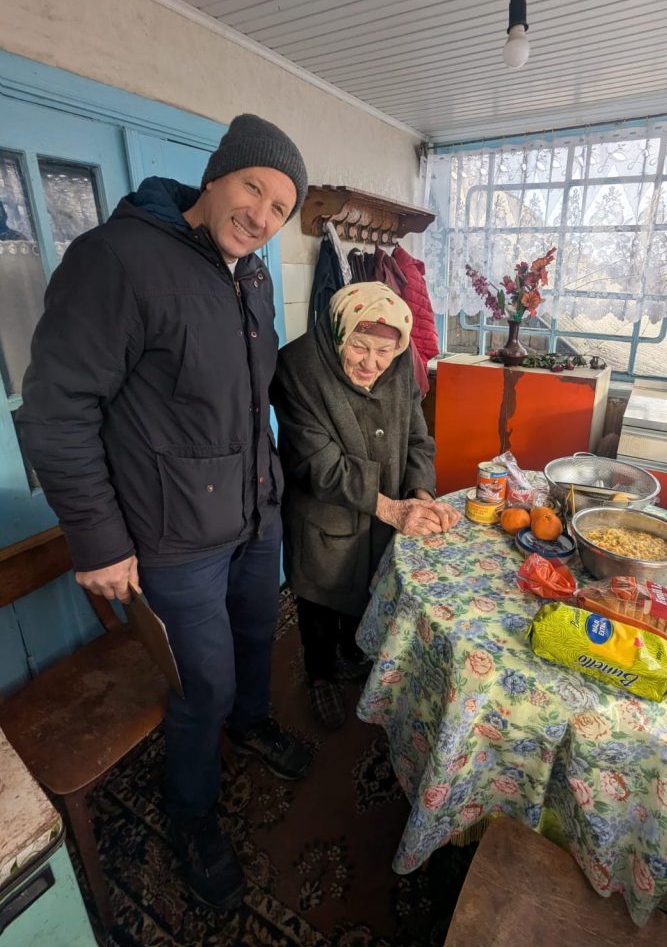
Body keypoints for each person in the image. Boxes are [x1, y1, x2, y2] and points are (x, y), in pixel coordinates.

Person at [17, 114, 311, 912]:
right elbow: (55, 408)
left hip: (251, 515)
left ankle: (252, 724)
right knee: (200, 686)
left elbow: (248, 401)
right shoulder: (118, 259)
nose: (261, 214)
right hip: (172, 537)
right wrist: (100, 541)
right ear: (216, 175)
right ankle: (192, 814)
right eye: (254, 187)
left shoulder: (249, 274)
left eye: (281, 206)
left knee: (258, 638)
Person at [271, 282, 461, 729]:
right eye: (359, 347)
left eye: (383, 353)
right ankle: (318, 675)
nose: (371, 364)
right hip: (323, 518)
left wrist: (419, 495)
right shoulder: (298, 367)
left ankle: (354, 652)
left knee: (370, 594)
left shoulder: (402, 359)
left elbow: (418, 437)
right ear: (341, 330)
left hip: (387, 507)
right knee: (320, 604)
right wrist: (393, 511)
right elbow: (319, 464)